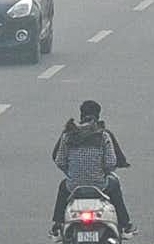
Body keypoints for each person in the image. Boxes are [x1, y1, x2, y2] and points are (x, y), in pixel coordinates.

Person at [50, 100, 133, 236]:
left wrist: (70, 172)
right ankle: (125, 225)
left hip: (73, 186)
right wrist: (103, 172)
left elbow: (59, 160)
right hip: (99, 185)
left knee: (62, 187)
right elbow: (111, 162)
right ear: (98, 115)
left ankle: (57, 224)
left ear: (81, 114)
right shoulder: (103, 135)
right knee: (115, 185)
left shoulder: (69, 134)